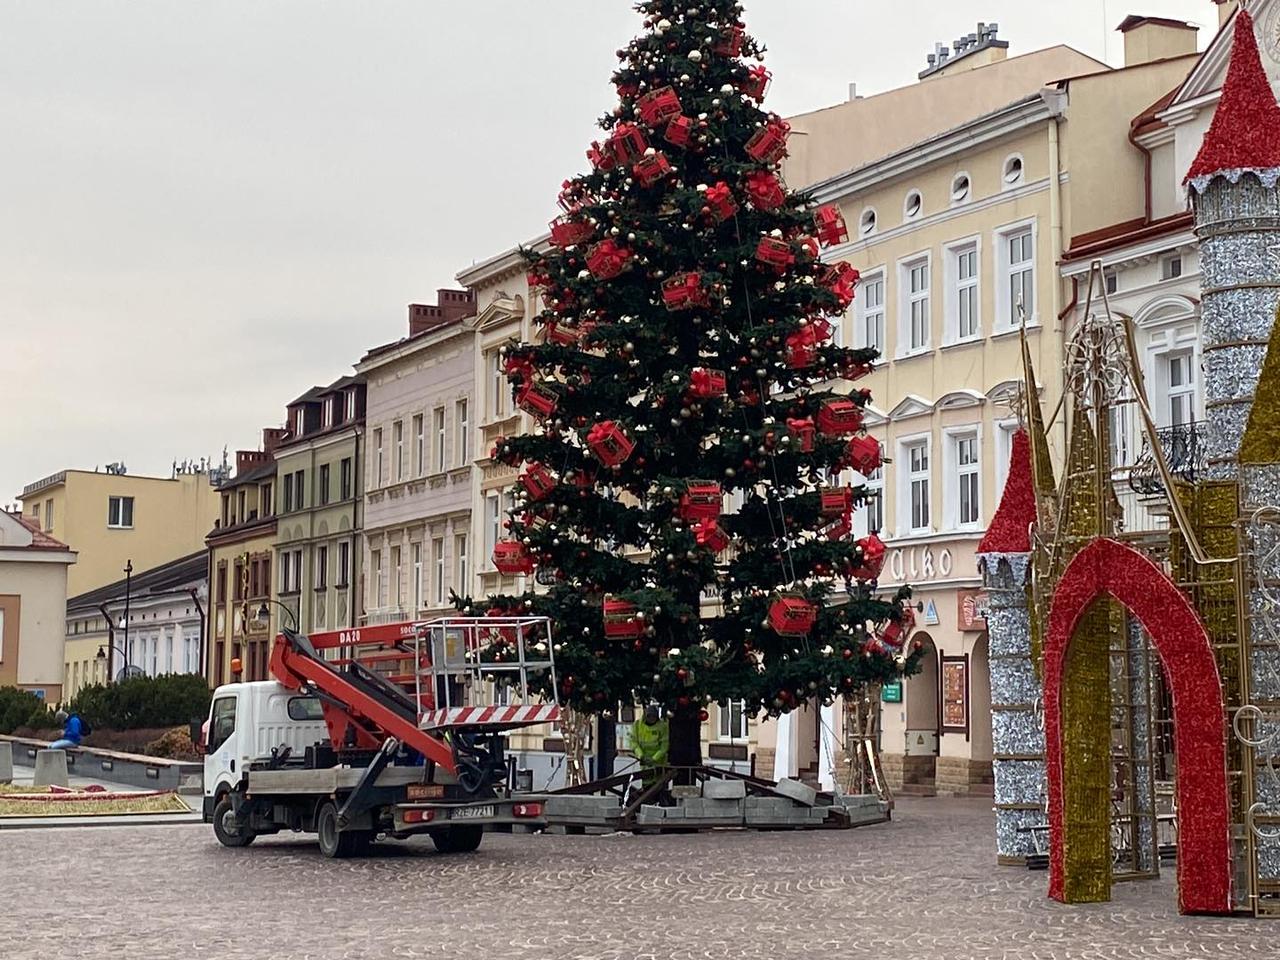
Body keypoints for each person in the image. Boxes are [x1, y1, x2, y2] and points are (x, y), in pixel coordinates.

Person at [631, 705, 669, 783]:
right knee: (646, 783)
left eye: (653, 716)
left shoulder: (662, 726)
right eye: (649, 716)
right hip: (644, 762)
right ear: (645, 716)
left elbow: (664, 746)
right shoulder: (637, 725)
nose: (651, 719)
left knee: (659, 785)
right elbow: (634, 743)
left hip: (659, 764)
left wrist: (654, 759)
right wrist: (641, 755)